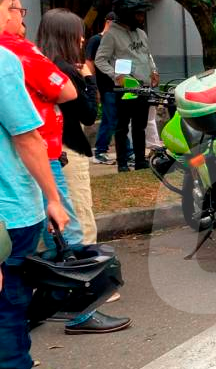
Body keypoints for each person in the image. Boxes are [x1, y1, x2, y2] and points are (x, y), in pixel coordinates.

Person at [0, 0, 74, 369]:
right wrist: (52, 197)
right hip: (8, 206)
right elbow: (28, 137)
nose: (20, 13)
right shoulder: (7, 60)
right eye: (12, 5)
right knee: (10, 300)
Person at [37, 8, 131, 334]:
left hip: (47, 152)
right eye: (77, 33)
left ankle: (58, 294)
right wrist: (90, 79)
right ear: (65, 35)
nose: (81, 39)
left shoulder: (39, 65)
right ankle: (87, 297)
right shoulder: (63, 70)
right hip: (68, 151)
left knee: (57, 228)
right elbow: (89, 114)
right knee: (78, 222)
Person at [94, 0, 157, 173]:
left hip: (143, 87)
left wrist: (154, 71)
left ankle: (140, 161)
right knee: (122, 126)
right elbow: (100, 59)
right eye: (138, 14)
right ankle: (122, 163)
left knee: (140, 126)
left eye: (142, 14)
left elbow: (147, 54)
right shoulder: (111, 35)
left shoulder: (142, 34)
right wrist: (116, 76)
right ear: (128, 15)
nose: (141, 17)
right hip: (125, 89)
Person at [86, 13, 129, 165]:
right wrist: (93, 86)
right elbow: (90, 62)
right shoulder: (96, 40)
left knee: (117, 120)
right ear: (108, 22)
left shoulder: (116, 40)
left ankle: (124, 151)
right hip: (106, 87)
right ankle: (101, 151)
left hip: (119, 86)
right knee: (112, 120)